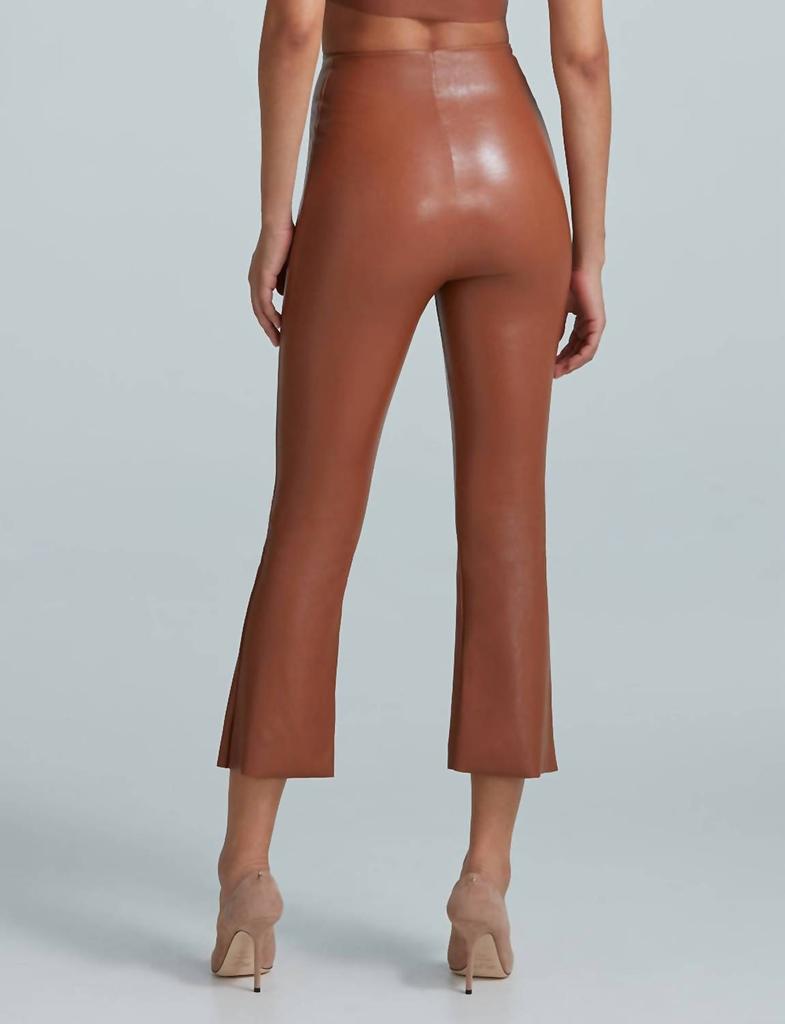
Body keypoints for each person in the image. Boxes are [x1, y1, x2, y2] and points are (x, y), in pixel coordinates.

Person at [210, 0, 610, 995]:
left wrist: (273, 216)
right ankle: (484, 882)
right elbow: (581, 55)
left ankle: (247, 877)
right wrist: (588, 253)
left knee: (310, 520)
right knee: (507, 530)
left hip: (371, 161)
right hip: (511, 167)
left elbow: (294, 29)